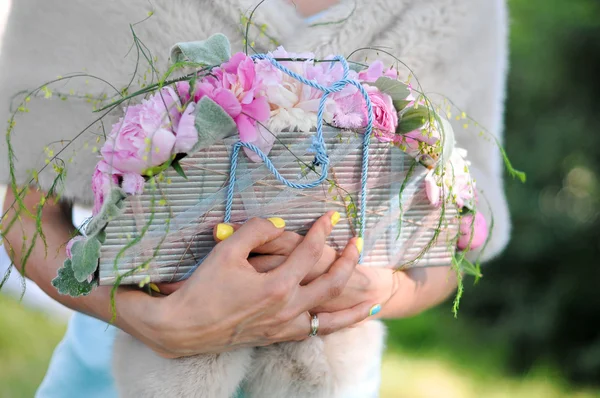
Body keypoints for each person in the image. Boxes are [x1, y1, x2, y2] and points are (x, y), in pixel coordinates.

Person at [0, 0, 510, 396]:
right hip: (119, 373)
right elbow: (23, 214)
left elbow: (459, 226)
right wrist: (150, 321)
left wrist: (378, 293)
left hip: (331, 380)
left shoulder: (458, 11)